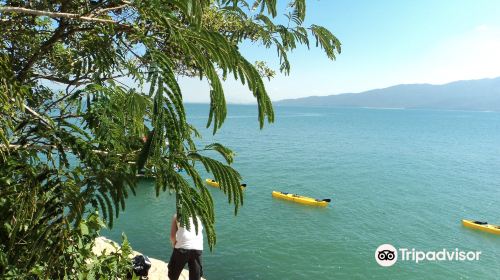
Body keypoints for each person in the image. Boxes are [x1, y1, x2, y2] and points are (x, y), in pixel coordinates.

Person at [168, 213, 204, 280]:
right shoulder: (200, 216)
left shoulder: (177, 215)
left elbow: (172, 237)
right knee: (195, 276)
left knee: (173, 274)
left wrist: (175, 245)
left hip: (181, 248)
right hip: (197, 248)